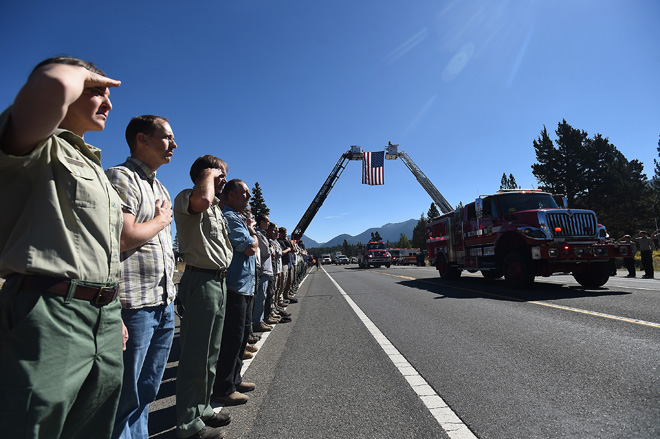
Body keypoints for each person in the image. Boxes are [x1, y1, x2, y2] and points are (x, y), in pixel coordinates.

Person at [0, 57, 124, 439]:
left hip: (102, 314)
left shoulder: (97, 170)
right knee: (33, 426)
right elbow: (50, 86)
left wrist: (111, 312)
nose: (109, 103)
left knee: (92, 428)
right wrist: (79, 73)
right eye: (96, 92)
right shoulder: (35, 145)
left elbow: (100, 250)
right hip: (49, 312)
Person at [106, 115, 177, 439]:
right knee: (125, 396)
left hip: (162, 302)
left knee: (147, 390)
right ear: (142, 140)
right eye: (167, 137)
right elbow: (123, 237)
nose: (174, 145)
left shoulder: (160, 186)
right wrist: (163, 220)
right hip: (134, 305)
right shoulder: (120, 177)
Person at [174, 155, 233, 439]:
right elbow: (202, 200)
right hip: (200, 280)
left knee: (211, 352)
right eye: (220, 174)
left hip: (218, 281)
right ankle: (188, 425)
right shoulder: (189, 197)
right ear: (205, 173)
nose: (224, 179)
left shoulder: (217, 209)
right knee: (194, 355)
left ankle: (204, 407)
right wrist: (209, 176)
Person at [212, 179, 258, 406]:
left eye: (250, 193)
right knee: (232, 339)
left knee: (241, 338)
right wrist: (253, 234)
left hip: (245, 285)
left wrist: (250, 232)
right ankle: (224, 387)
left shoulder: (239, 218)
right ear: (230, 195)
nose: (248, 196)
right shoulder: (230, 218)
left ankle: (235, 379)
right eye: (244, 192)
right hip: (235, 286)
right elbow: (250, 248)